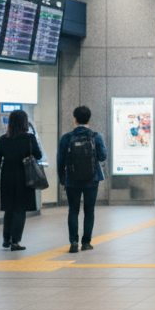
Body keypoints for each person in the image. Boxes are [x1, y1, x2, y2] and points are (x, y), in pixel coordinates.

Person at [0, 109, 43, 252]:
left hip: (6, 177)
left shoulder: (2, 139)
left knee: (9, 209)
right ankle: (15, 241)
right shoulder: (29, 138)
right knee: (20, 210)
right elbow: (38, 155)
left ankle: (6, 239)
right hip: (25, 177)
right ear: (25, 122)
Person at [57, 105, 108, 254]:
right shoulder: (96, 136)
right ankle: (86, 243)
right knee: (89, 210)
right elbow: (103, 156)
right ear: (89, 119)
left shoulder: (66, 138)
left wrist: (62, 179)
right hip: (92, 179)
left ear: (74, 120)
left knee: (73, 210)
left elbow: (60, 161)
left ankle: (73, 242)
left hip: (71, 179)